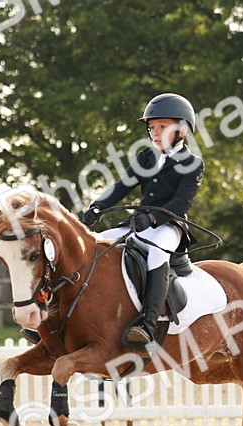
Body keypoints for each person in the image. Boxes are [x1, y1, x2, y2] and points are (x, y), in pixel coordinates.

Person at [81, 93, 205, 345]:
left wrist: (153, 219)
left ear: (182, 130)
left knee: (157, 254)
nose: (155, 133)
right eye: (152, 128)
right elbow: (121, 187)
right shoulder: (145, 158)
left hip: (169, 225)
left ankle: (148, 324)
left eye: (162, 127)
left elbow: (180, 202)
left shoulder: (193, 163)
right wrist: (97, 207)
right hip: (137, 223)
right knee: (95, 245)